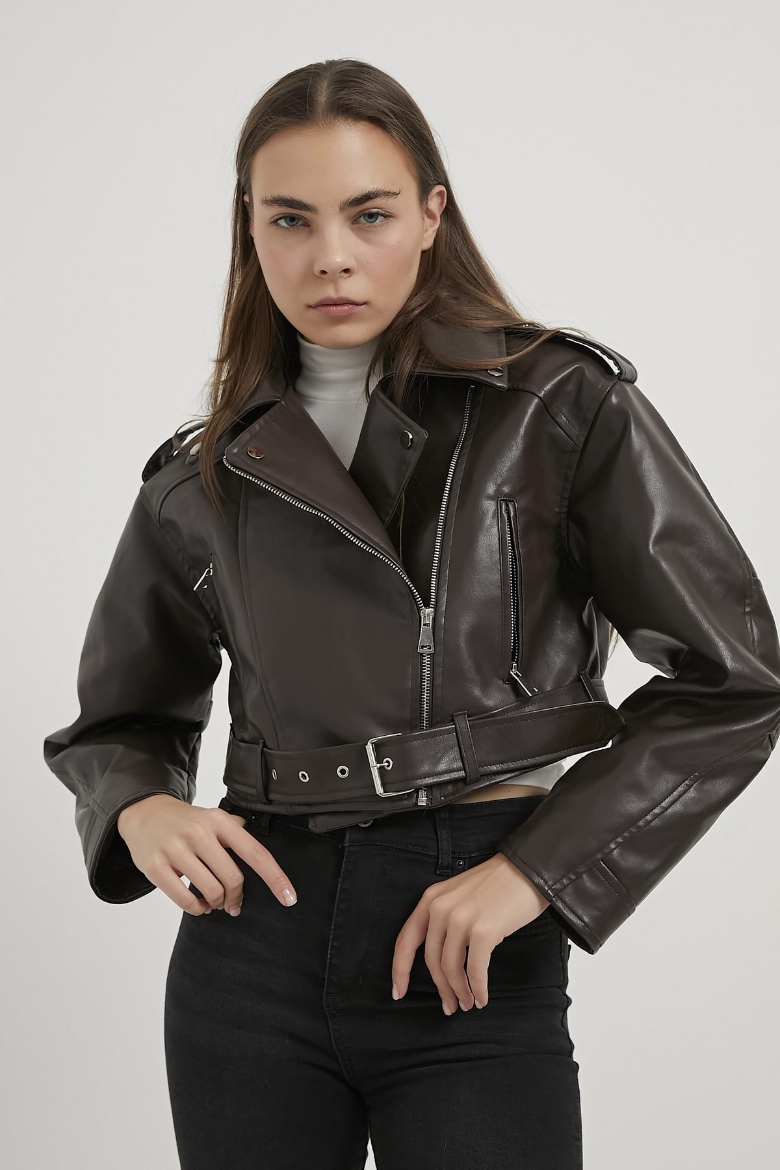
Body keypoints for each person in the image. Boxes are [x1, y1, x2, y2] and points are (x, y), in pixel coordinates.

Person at [42, 59, 780, 1170]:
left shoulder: (559, 406)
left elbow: (735, 682)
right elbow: (119, 721)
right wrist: (140, 807)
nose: (330, 255)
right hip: (251, 943)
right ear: (251, 230)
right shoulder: (201, 476)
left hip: (471, 932)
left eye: (370, 213)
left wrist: (535, 870)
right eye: (290, 219)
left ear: (433, 214)